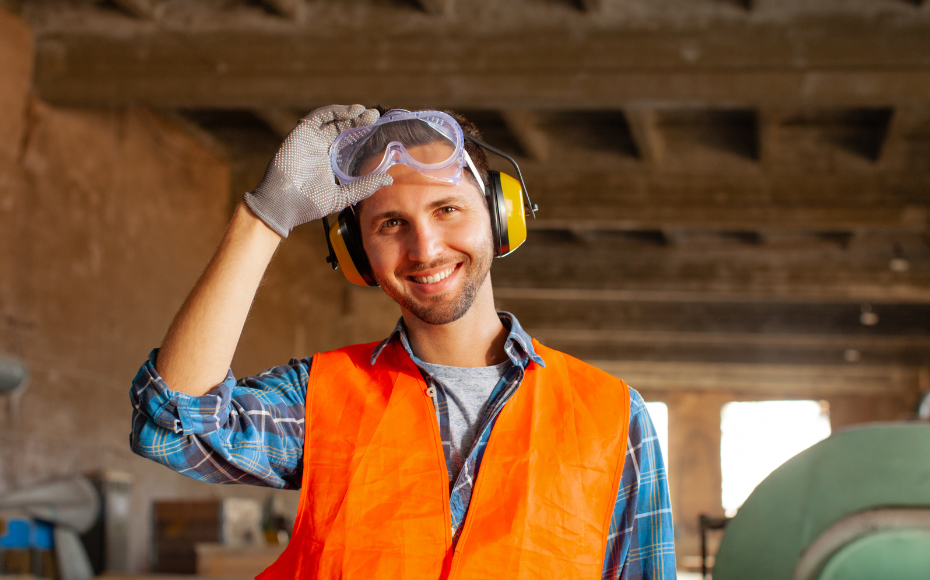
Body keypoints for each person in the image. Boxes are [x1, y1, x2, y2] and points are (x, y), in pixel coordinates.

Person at [130, 105, 676, 579]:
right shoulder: (319, 398)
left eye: (447, 208)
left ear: (499, 215)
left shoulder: (612, 417)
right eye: (391, 223)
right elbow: (171, 421)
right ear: (357, 252)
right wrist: (265, 218)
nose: (425, 247)